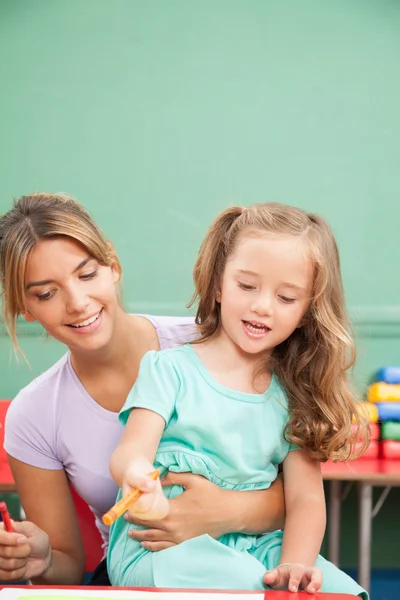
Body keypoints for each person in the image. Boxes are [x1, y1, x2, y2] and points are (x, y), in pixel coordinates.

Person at [0, 193, 286, 585]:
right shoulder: (33, 414)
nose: (78, 303)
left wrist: (220, 512)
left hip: (253, 558)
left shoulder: (212, 345)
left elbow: (300, 498)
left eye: (87, 275)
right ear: (25, 309)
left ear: (112, 265)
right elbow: (67, 569)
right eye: (46, 293)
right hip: (142, 572)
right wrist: (44, 561)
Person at [107, 202, 370, 598]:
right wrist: (135, 474)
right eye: (246, 286)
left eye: (286, 298)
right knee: (241, 585)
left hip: (254, 544)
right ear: (217, 285)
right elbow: (130, 452)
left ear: (306, 312)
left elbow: (305, 499)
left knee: (340, 592)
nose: (262, 305)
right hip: (159, 544)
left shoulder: (295, 394)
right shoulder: (167, 369)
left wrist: (293, 566)